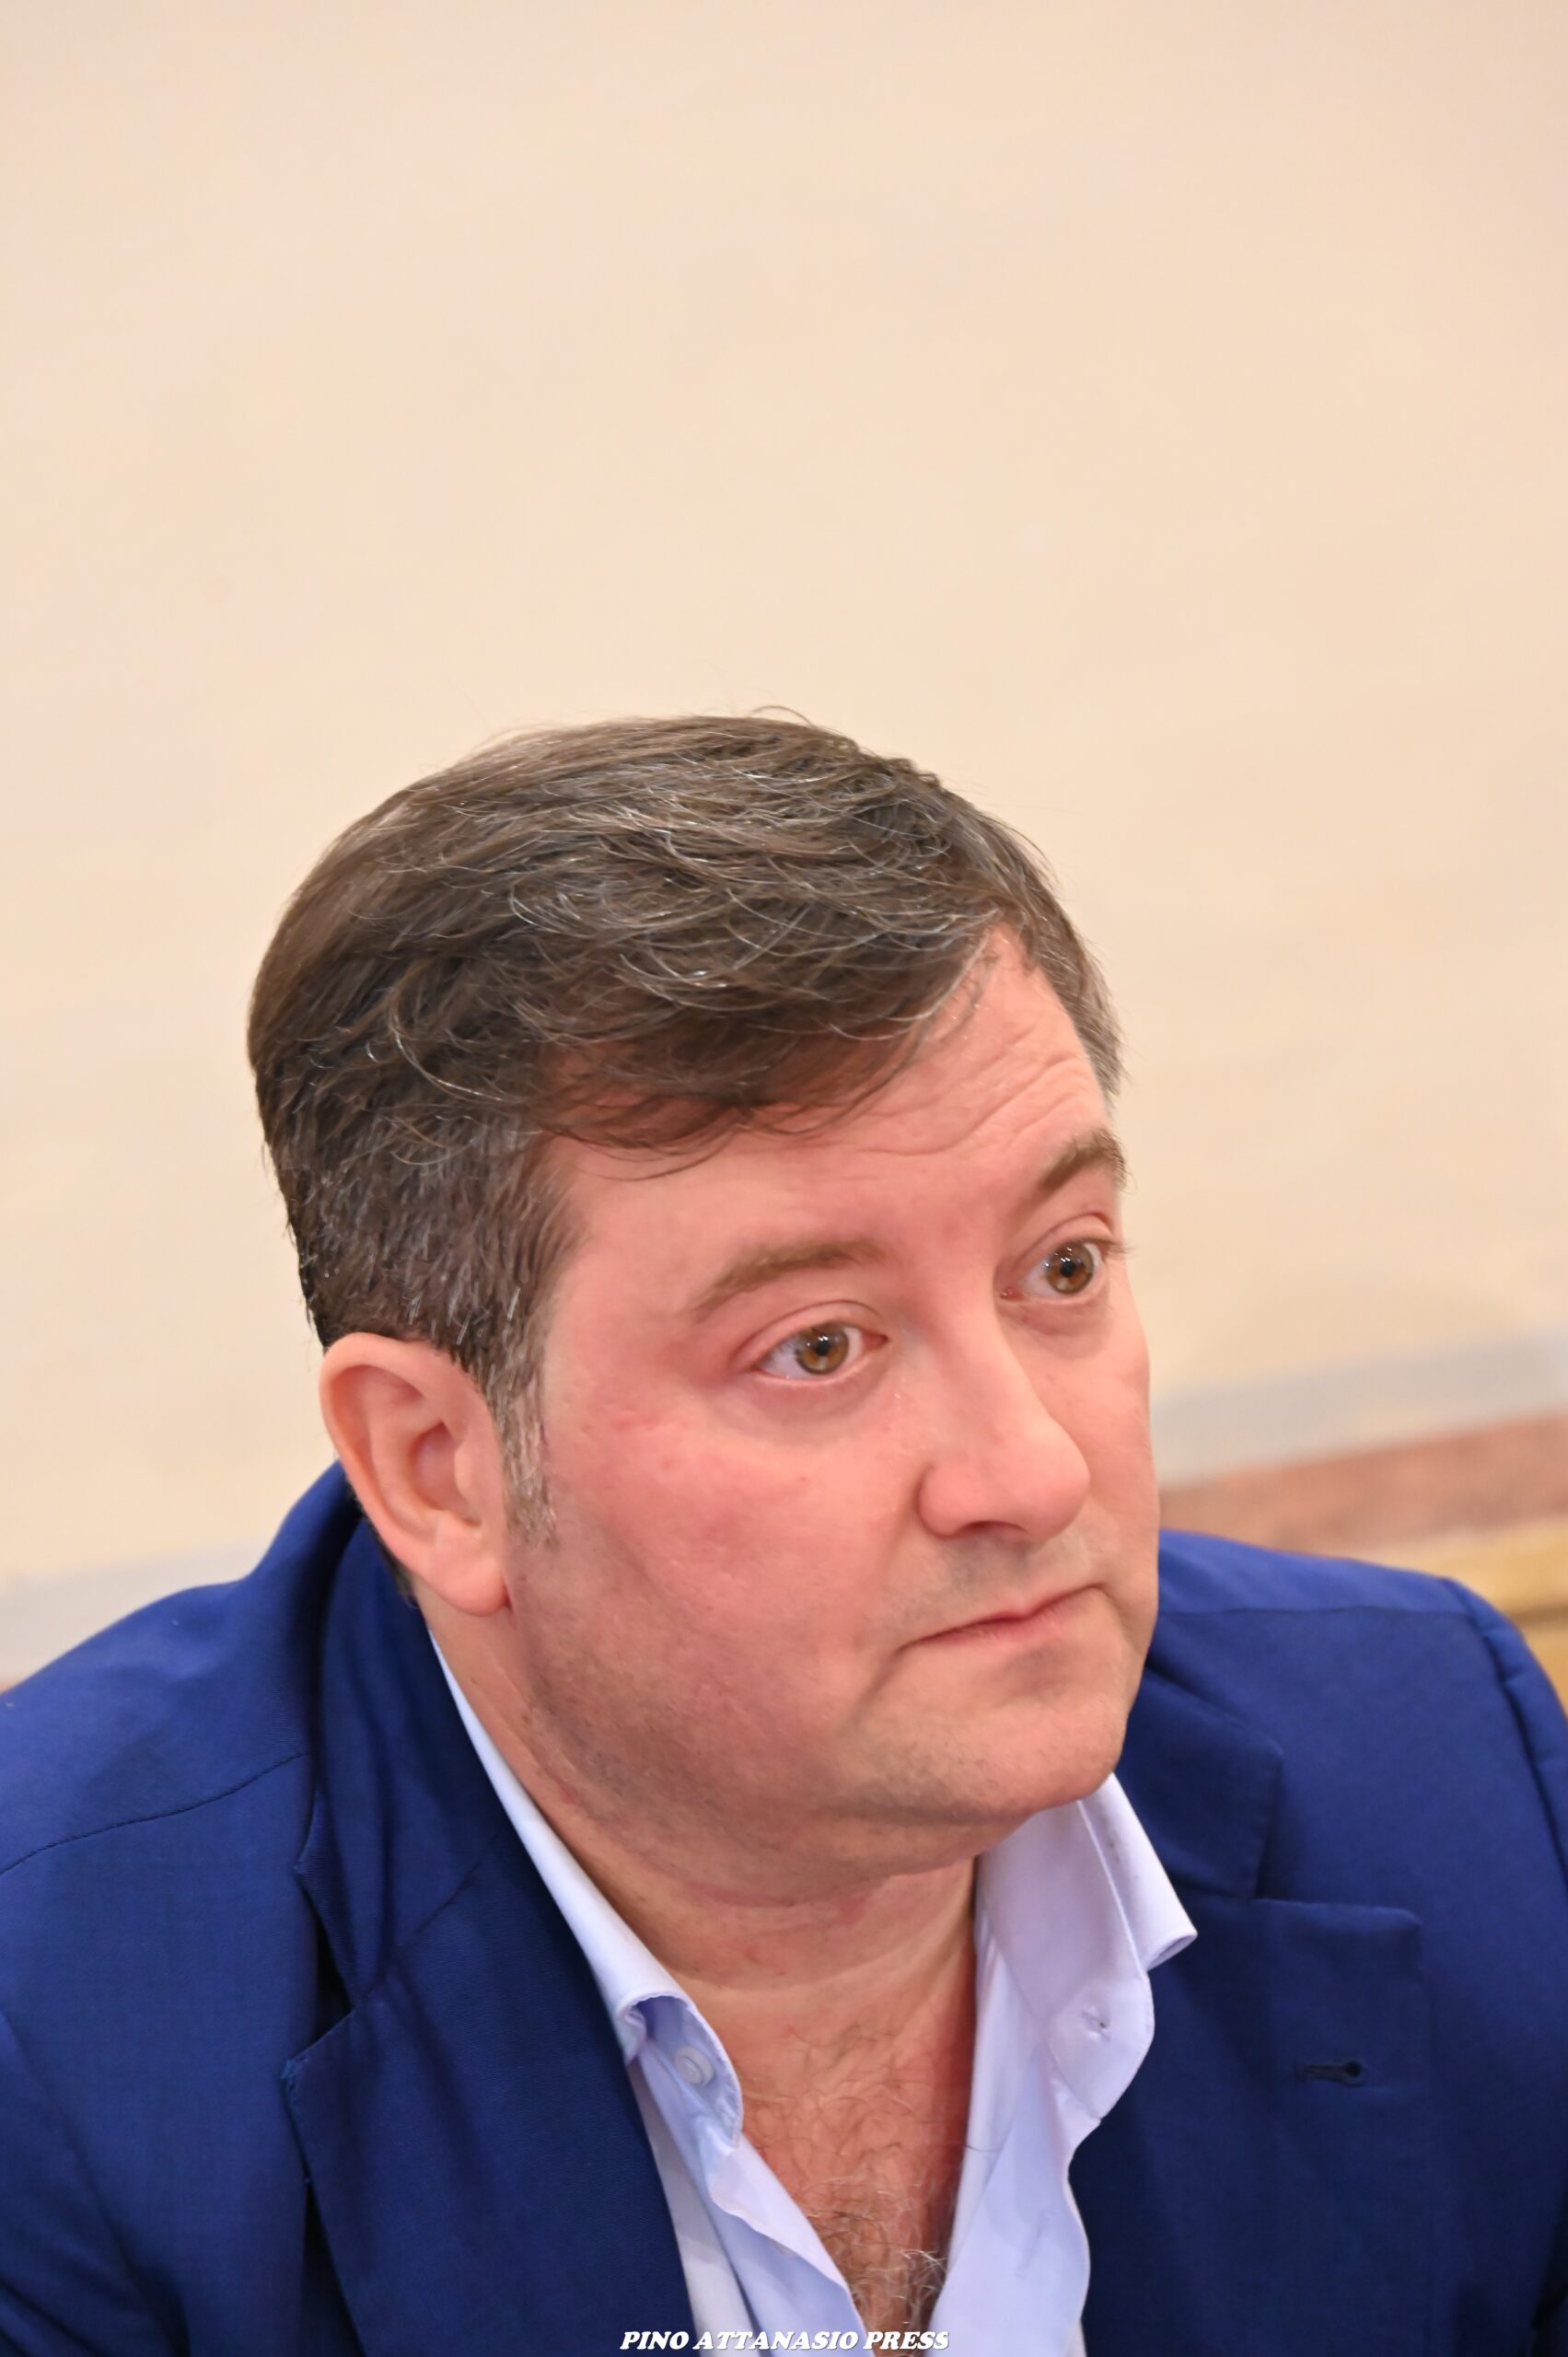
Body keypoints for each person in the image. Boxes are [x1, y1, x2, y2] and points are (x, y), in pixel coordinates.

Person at [1, 716, 1565, 2357]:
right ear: (441, 1469)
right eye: (818, 1347)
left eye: (1063, 1268)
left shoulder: (1450, 1777)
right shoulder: (60, 2039)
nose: (1031, 1474)